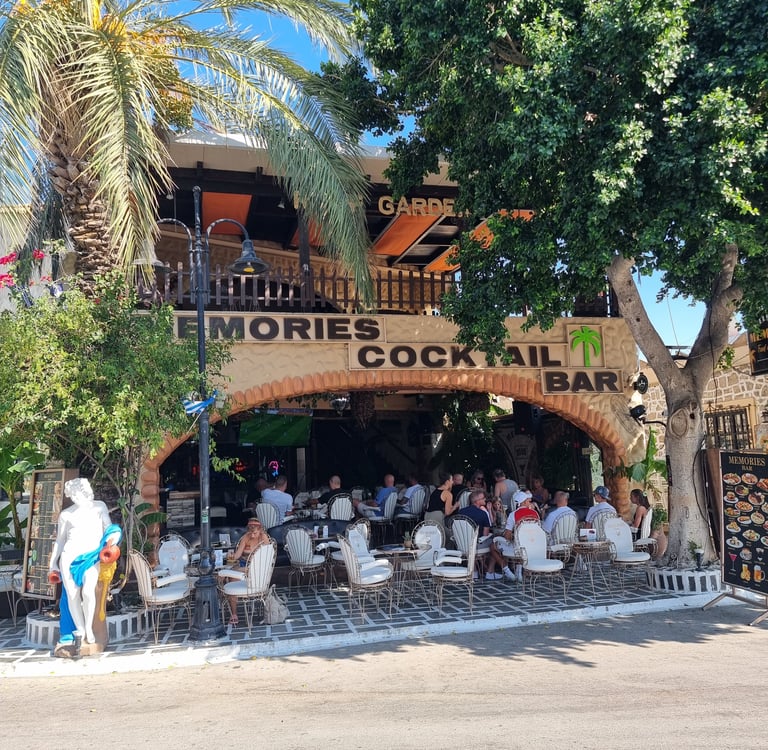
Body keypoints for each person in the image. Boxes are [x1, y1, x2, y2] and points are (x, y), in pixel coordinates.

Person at [48, 478, 121, 649]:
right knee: (73, 596)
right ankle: (80, 629)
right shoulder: (66, 514)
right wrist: (53, 564)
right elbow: (59, 541)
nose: (74, 497)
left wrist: (113, 539)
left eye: (77, 493)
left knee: (88, 592)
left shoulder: (99, 506)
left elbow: (109, 528)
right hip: (69, 557)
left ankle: (88, 627)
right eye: (72, 494)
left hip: (91, 557)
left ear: (85, 491)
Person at [457, 489, 516, 581]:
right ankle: (490, 572)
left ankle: (475, 572)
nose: (485, 500)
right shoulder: (483, 514)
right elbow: (485, 534)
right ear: (477, 501)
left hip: (462, 545)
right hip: (476, 546)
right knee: (494, 542)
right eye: (483, 498)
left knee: (472, 540)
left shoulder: (460, 512)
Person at [226, 517, 270, 625]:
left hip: (259, 568)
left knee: (233, 573)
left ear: (260, 529)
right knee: (230, 578)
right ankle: (234, 613)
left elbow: (268, 556)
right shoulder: (246, 537)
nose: (252, 534)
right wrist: (231, 556)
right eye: (250, 530)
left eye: (254, 531)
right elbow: (237, 555)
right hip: (244, 565)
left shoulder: (263, 538)